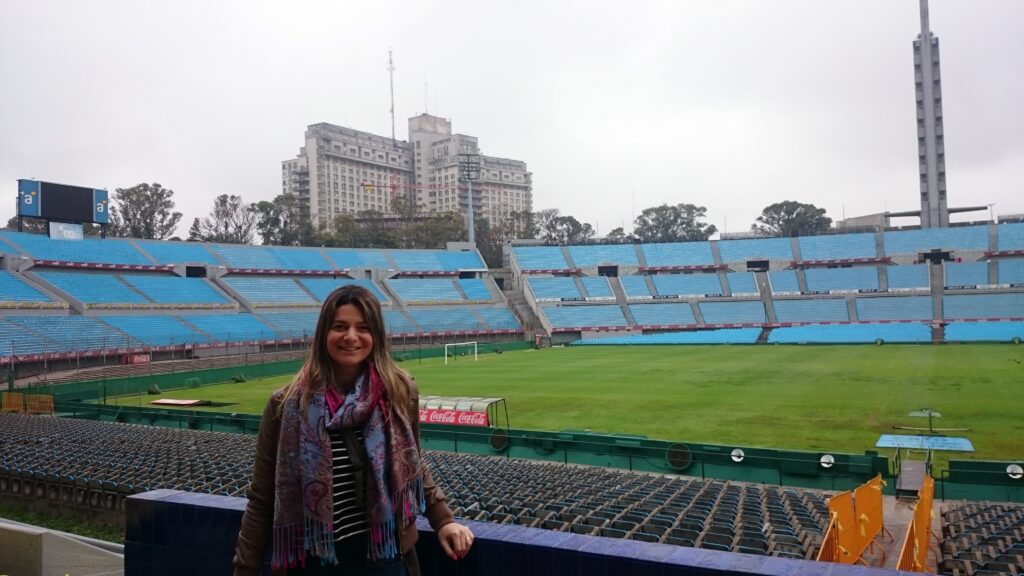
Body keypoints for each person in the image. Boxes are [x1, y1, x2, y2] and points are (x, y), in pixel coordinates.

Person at [234, 285, 474, 575]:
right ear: (324, 334)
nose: (351, 337)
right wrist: (245, 568)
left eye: (363, 327)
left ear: (376, 335)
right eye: (339, 326)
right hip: (314, 562)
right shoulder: (285, 405)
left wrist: (444, 520)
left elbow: (412, 463)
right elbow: (262, 497)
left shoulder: (399, 390)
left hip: (385, 558)